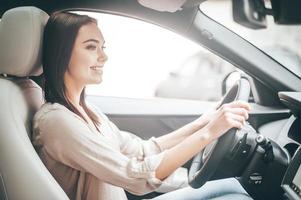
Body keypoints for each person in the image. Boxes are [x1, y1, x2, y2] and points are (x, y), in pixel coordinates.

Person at [33, 11, 252, 200]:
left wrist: (203, 123)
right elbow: (134, 177)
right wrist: (209, 133)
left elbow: (142, 150)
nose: (104, 57)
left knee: (237, 188)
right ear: (62, 53)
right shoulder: (57, 121)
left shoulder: (89, 112)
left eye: (103, 47)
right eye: (91, 47)